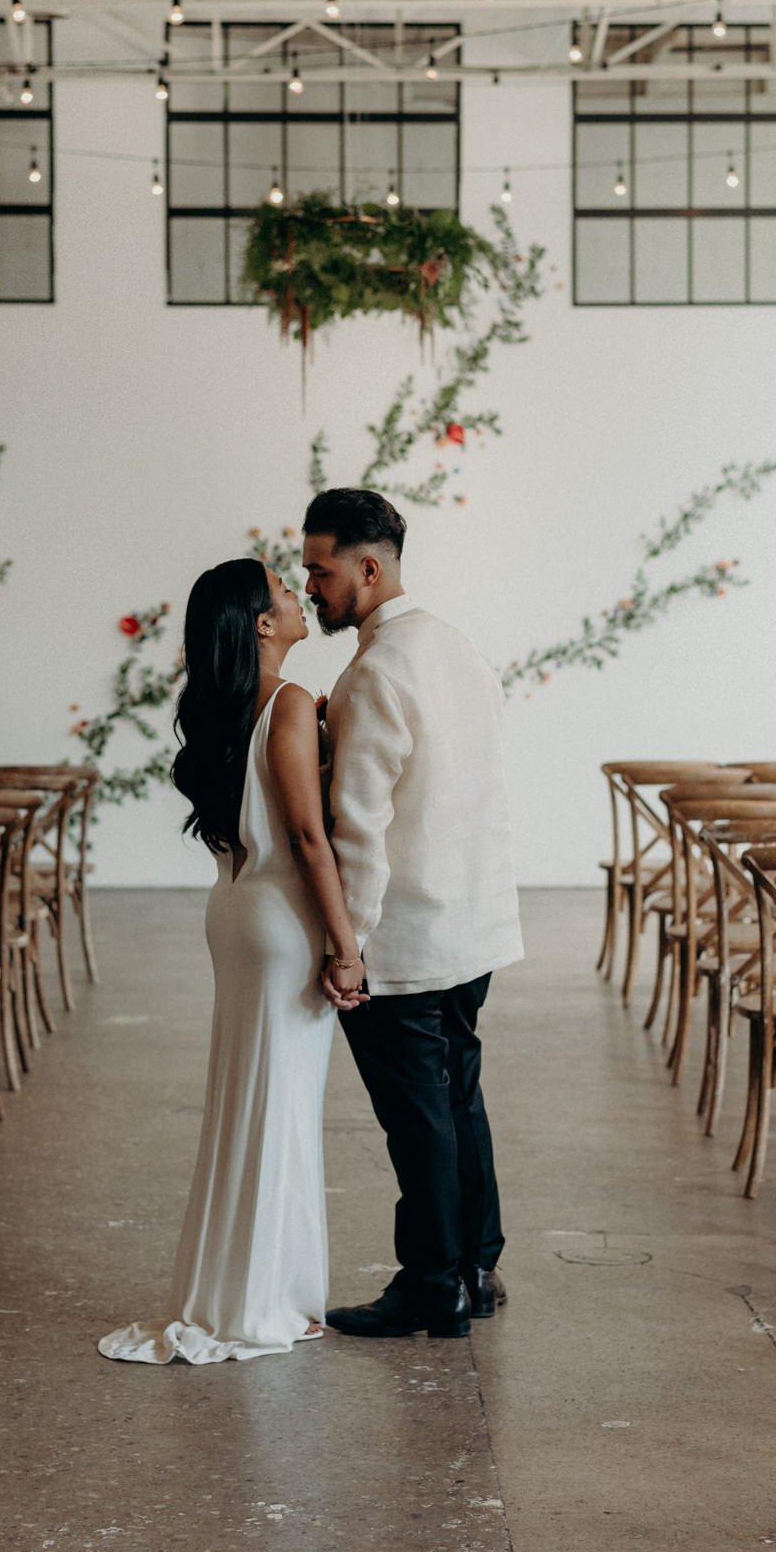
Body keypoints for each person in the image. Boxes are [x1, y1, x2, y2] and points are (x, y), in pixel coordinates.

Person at [98, 558, 366, 1365]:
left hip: (234, 907)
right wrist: (347, 946)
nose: (297, 599)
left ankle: (243, 1288)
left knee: (246, 1101)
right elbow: (311, 839)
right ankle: (267, 1300)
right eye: (285, 591)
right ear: (259, 621)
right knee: (278, 1109)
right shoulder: (285, 704)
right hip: (283, 918)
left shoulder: (235, 709)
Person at [302, 487, 523, 1341]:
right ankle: (477, 1262)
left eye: (321, 571)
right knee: (458, 1095)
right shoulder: (456, 648)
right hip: (474, 920)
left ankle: (432, 1283)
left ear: (369, 566)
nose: (312, 586)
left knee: (417, 1116)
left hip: (409, 931)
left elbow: (360, 828)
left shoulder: (375, 672)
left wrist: (345, 944)